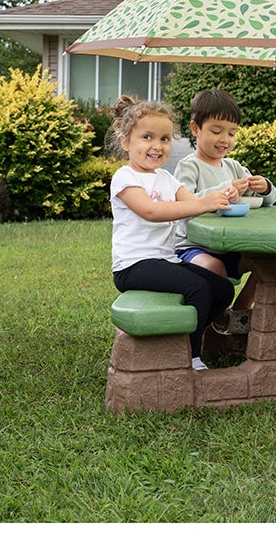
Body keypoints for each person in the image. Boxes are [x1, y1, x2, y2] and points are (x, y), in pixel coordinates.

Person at [109, 95, 235, 371]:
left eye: (165, 139)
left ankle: (184, 334)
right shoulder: (125, 177)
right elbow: (151, 211)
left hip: (166, 260)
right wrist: (202, 203)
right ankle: (189, 356)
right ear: (126, 142)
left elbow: (193, 201)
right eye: (147, 137)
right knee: (198, 288)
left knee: (223, 289)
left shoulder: (167, 178)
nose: (157, 146)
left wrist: (224, 195)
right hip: (133, 265)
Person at [174, 89, 276, 334]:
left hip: (231, 246)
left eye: (231, 133)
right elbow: (184, 204)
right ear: (195, 128)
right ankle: (217, 316)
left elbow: (267, 200)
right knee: (215, 269)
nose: (225, 139)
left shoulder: (233, 166)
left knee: (270, 262)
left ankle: (240, 309)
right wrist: (225, 189)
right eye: (216, 131)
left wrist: (264, 188)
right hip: (193, 248)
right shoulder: (189, 166)